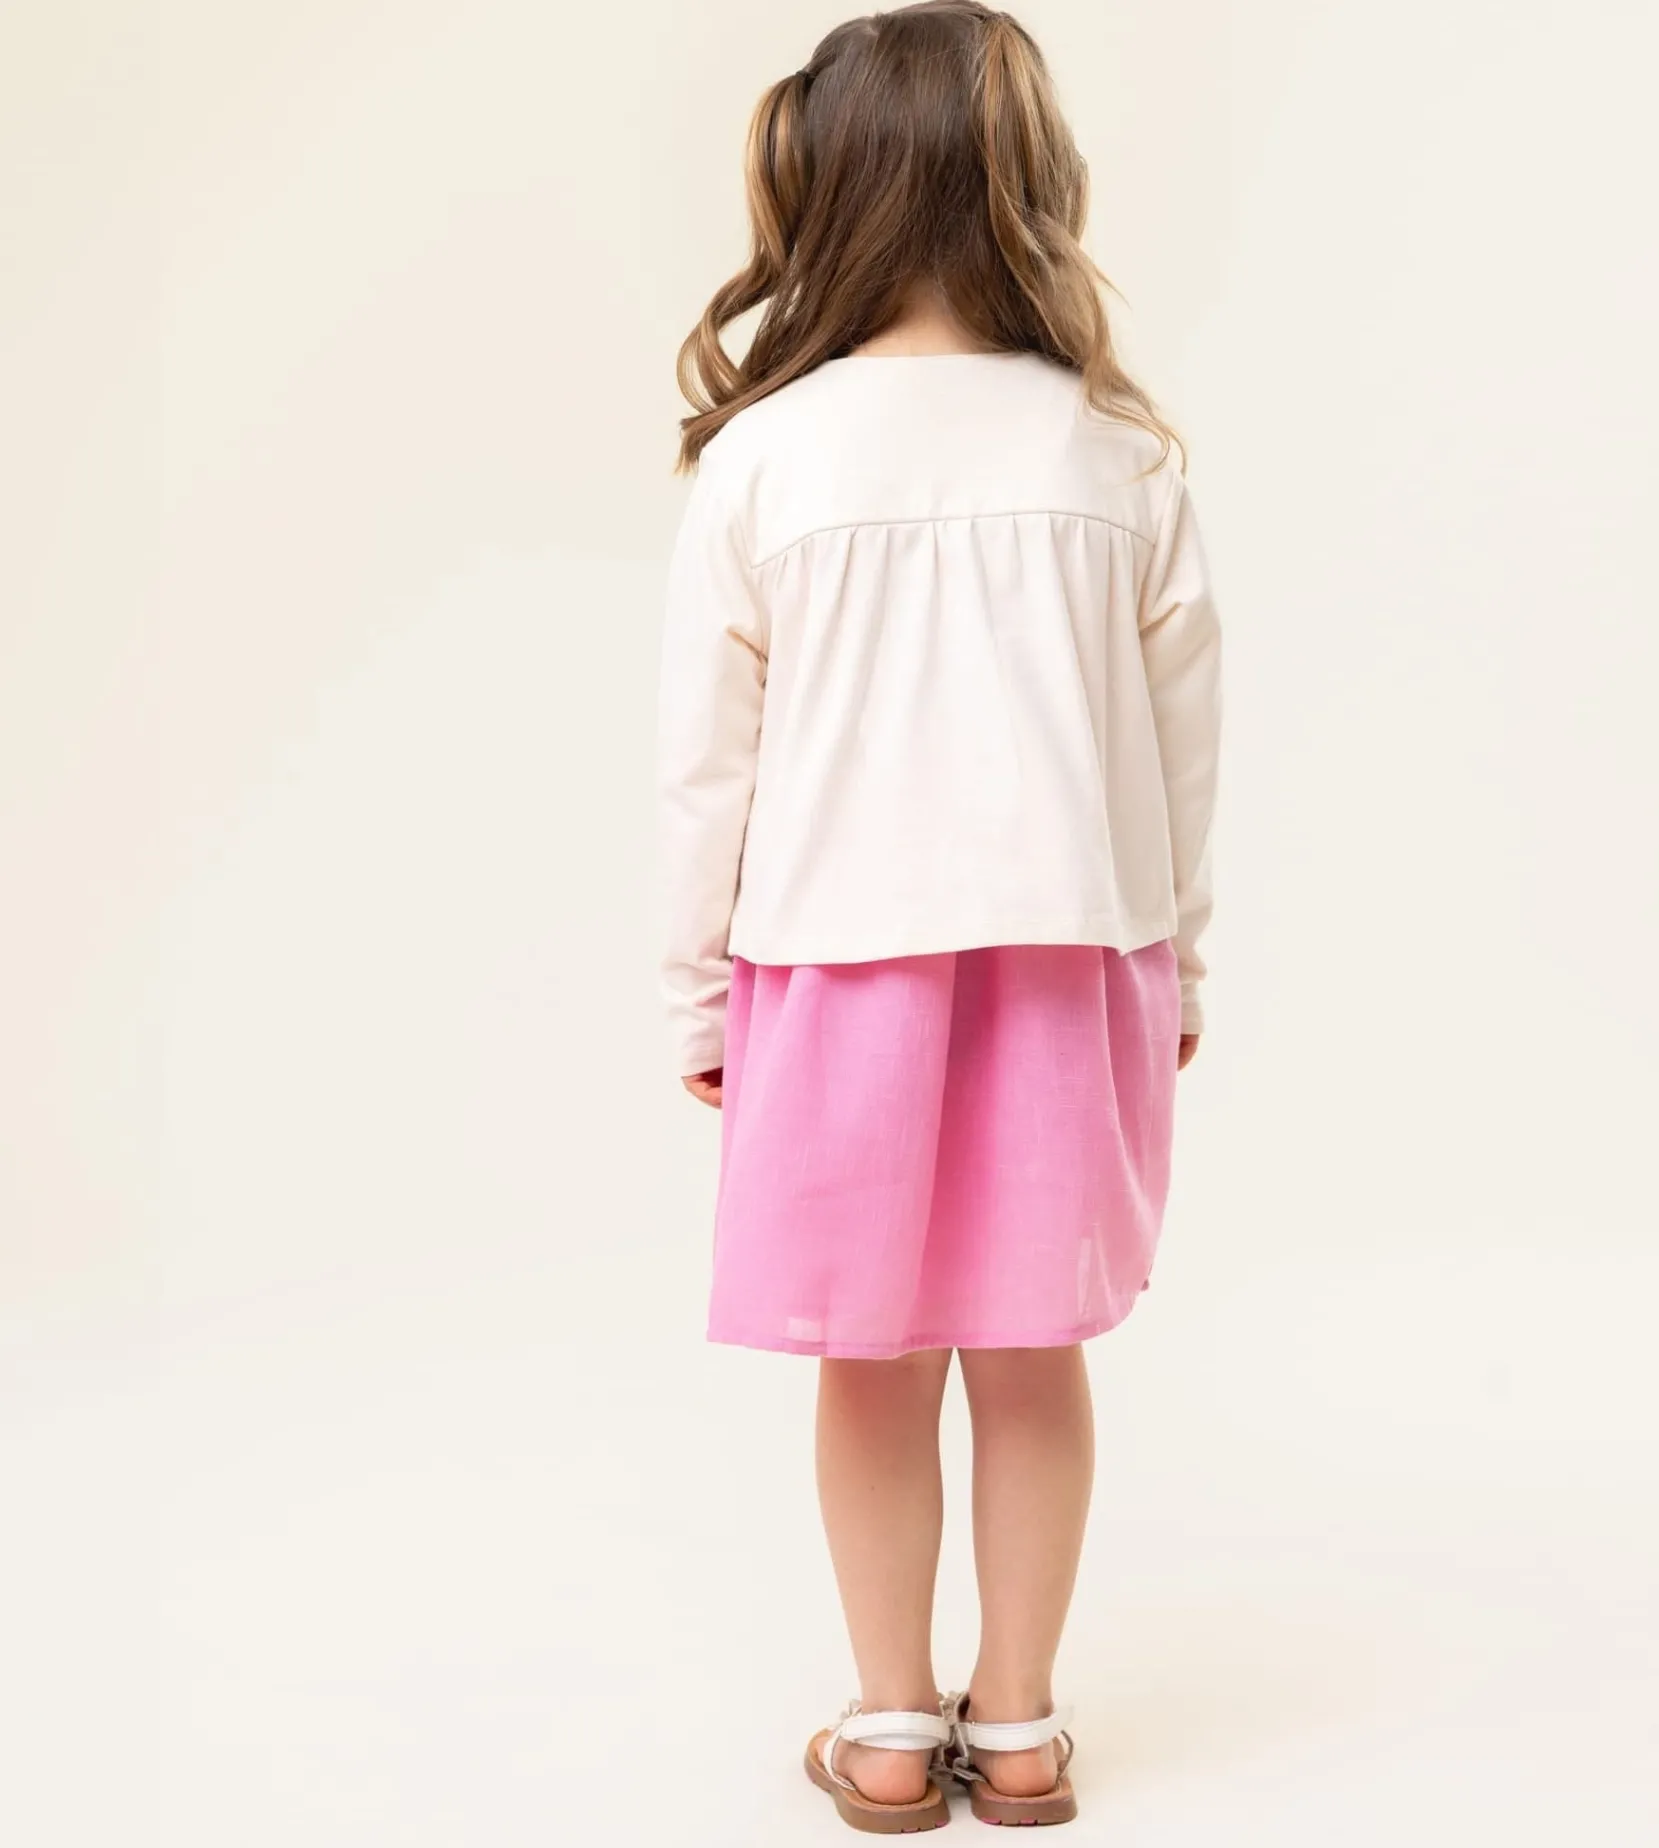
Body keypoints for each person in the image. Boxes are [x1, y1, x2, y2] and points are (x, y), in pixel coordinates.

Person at [656, 2, 1220, 1829]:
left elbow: (706, 768)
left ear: (820, 183)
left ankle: (895, 1724)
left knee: (873, 1359)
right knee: (1033, 1349)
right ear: (1029, 181)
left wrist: (697, 996)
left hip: (836, 966)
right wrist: (1180, 960)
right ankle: (1026, 1725)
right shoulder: (1113, 449)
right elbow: (1184, 742)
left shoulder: (768, 456)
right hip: (1073, 954)